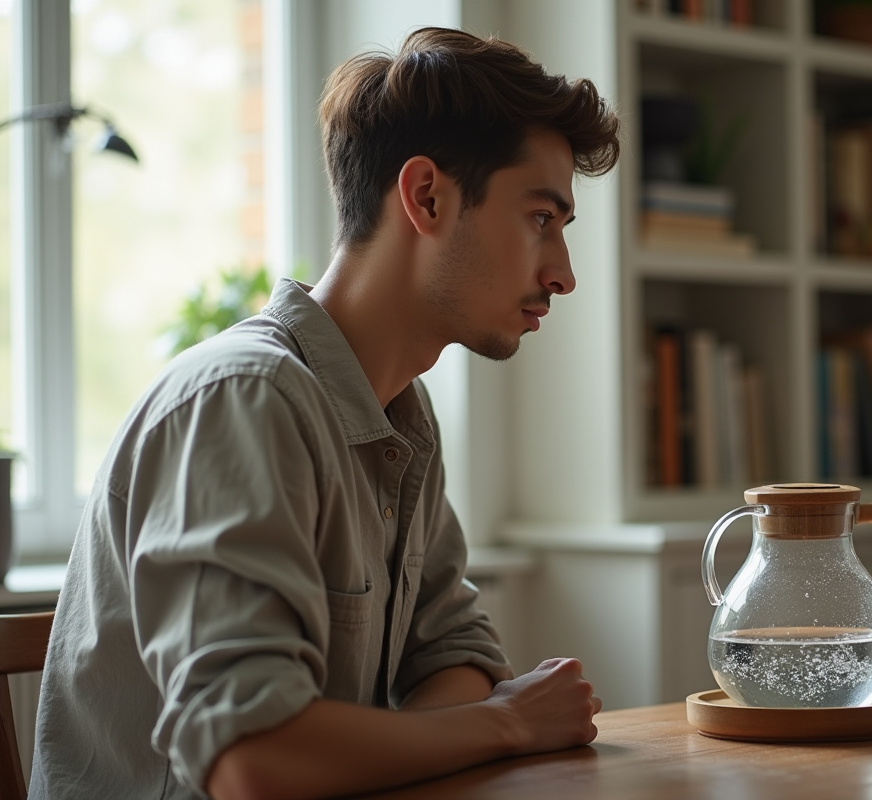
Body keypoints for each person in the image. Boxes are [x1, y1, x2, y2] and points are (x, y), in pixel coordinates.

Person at [29, 26, 620, 800]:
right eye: (542, 218)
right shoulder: (244, 399)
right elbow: (253, 760)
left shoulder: (401, 414)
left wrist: (469, 716)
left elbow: (454, 653)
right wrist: (508, 725)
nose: (563, 274)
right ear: (426, 196)